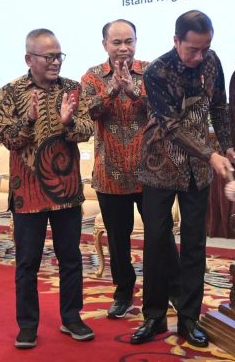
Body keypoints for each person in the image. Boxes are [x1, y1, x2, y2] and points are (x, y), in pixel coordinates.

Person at [131, 10, 235, 348]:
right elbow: (171, 126)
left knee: (194, 244)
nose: (199, 56)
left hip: (198, 172)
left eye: (205, 48)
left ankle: (189, 320)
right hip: (160, 166)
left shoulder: (211, 62)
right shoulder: (156, 72)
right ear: (176, 41)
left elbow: (219, 106)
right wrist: (211, 154)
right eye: (192, 49)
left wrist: (228, 145)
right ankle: (154, 317)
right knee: (157, 244)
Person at [0, 28, 95, 349]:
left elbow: (86, 130)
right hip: (27, 191)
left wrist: (68, 123)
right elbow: (9, 139)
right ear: (30, 58)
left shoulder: (73, 89)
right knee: (27, 263)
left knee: (70, 258)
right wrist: (27, 120)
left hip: (65, 189)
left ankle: (72, 317)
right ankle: (27, 325)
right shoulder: (10, 92)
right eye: (48, 57)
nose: (55, 62)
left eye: (58, 56)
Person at [81, 19, 180, 319]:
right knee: (118, 240)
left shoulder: (152, 71)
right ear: (105, 45)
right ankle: (124, 293)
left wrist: (134, 91)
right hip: (110, 174)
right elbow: (89, 112)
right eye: (116, 42)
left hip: (150, 172)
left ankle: (174, 291)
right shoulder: (92, 77)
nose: (124, 48)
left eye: (129, 41)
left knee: (160, 236)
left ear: (136, 41)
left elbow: (166, 109)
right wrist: (112, 90)